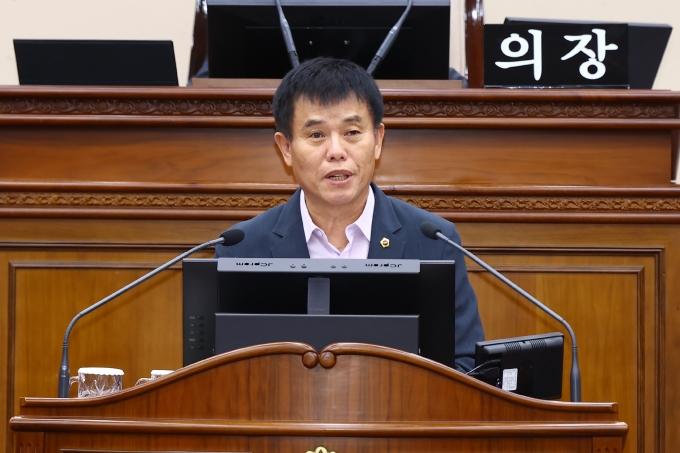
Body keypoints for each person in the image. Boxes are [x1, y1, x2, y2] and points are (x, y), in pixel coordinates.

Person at [215, 57, 484, 371]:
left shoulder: (434, 242)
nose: (336, 151)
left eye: (352, 132)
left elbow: (467, 365)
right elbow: (219, 373)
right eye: (316, 135)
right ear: (286, 148)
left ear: (378, 140)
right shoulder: (241, 248)